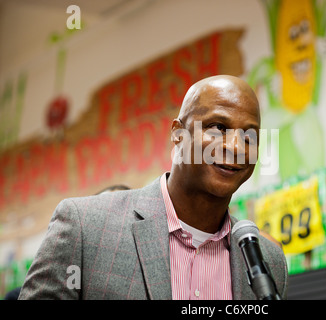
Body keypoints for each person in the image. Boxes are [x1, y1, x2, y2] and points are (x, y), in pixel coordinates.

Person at [18, 75, 288, 300]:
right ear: (177, 133)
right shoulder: (85, 227)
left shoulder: (268, 260)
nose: (236, 147)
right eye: (218, 127)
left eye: (249, 136)